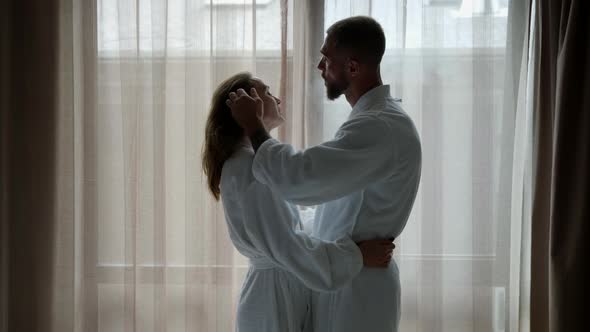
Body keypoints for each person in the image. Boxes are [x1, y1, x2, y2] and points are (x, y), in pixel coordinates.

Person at [226, 16, 422, 332]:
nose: (319, 67)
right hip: (347, 275)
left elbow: (300, 179)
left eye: (326, 58)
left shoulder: (378, 127)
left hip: (360, 291)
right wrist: (352, 256)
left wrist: (254, 126)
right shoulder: (370, 123)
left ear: (353, 67)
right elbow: (320, 209)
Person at [202, 72, 395, 332]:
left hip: (277, 294)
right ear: (248, 106)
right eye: (268, 92)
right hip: (274, 303)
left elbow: (287, 228)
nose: (278, 98)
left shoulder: (247, 162)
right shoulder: (248, 166)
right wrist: (358, 256)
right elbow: (288, 246)